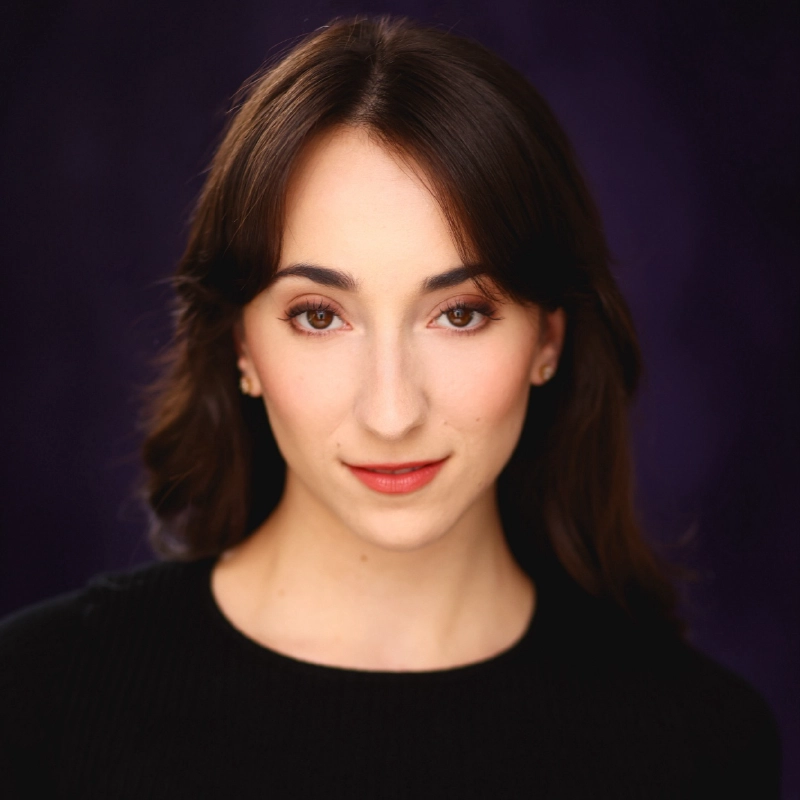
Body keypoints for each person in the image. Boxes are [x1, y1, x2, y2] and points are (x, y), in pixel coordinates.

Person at [0, 14, 781, 798]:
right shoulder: (36, 701)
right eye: (318, 316)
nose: (391, 412)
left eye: (460, 314)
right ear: (241, 346)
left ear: (548, 339)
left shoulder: (702, 746)